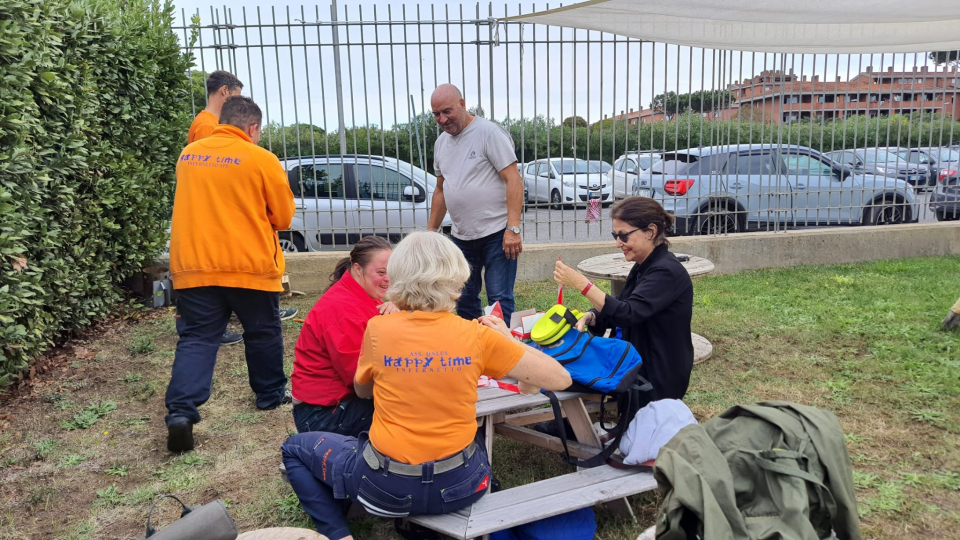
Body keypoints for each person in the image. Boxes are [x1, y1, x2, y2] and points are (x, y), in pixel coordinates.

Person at [281, 231, 571, 540]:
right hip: (463, 486)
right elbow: (561, 379)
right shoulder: (476, 335)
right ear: (458, 278)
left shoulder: (378, 329)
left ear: (399, 276)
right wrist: (507, 340)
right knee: (473, 439)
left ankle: (339, 534)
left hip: (385, 490)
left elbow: (364, 391)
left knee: (293, 448)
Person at [165, 96, 296, 453]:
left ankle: (181, 413)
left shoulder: (188, 156)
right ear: (252, 128)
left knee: (197, 339)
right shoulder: (261, 158)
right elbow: (283, 217)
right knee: (263, 331)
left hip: (195, 265)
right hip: (249, 265)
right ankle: (269, 394)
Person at [186, 70, 297, 346]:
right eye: (236, 95)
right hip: (232, 246)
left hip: (209, 251)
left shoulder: (205, 128)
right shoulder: (207, 128)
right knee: (262, 332)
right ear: (224, 91)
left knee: (198, 341)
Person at [553, 196, 694, 405]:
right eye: (615, 235)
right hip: (640, 364)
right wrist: (591, 316)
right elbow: (619, 305)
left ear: (651, 232)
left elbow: (626, 314)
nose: (618, 243)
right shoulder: (645, 265)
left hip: (657, 377)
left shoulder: (666, 272)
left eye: (623, 236)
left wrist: (583, 284)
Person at [427, 84, 524, 325]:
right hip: (461, 237)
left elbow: (513, 179)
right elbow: (440, 190)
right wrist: (430, 233)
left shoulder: (489, 133)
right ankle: (472, 342)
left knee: (498, 298)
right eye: (436, 114)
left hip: (497, 234)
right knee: (463, 298)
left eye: (447, 111)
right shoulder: (441, 144)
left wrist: (513, 229)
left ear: (462, 104)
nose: (442, 119)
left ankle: (500, 344)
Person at [290, 236, 399, 435]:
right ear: (357, 269)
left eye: (391, 272)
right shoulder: (344, 311)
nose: (388, 279)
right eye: (381, 272)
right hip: (321, 414)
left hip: (333, 404)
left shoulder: (360, 294)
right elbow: (361, 381)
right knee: (409, 409)